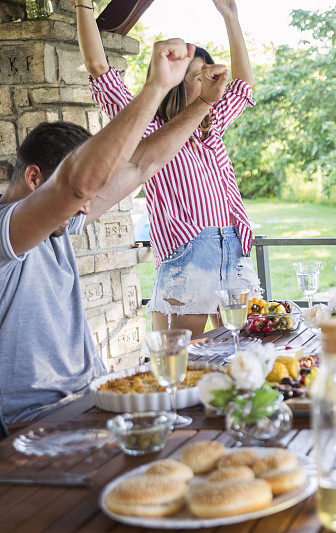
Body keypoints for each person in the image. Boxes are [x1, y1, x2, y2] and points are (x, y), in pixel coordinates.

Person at [0, 40, 231, 424]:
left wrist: (203, 104)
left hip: (93, 400)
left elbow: (142, 164)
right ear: (34, 178)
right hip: (34, 421)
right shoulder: (8, 229)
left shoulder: (60, 225)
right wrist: (155, 89)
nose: (87, 209)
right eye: (84, 196)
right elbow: (74, 187)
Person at [76, 0, 260, 337]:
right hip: (189, 254)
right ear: (174, 82)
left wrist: (230, 17)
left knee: (237, 354)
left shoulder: (212, 125)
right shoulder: (147, 129)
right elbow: (98, 68)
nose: (208, 81)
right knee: (181, 363)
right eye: (196, 76)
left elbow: (244, 85)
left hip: (232, 249)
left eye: (209, 73)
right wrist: (82, 6)